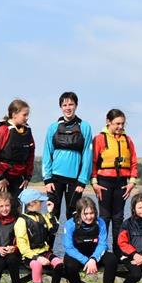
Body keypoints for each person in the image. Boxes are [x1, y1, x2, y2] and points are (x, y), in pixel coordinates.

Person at [91, 109, 138, 256]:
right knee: (104, 217)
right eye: (117, 123)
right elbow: (92, 162)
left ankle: (119, 252)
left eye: (122, 124)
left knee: (118, 218)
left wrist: (132, 182)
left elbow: (134, 162)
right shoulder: (99, 139)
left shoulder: (128, 140)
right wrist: (94, 181)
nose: (120, 126)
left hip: (122, 182)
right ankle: (102, 251)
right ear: (108, 121)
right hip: (104, 181)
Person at [42, 92, 93, 223]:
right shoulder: (53, 127)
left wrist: (83, 180)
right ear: (61, 107)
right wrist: (47, 179)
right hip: (55, 178)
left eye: (71, 104)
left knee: (74, 215)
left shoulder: (85, 127)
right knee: (52, 214)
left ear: (76, 105)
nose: (68, 107)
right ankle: (49, 244)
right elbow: (47, 152)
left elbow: (87, 154)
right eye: (64, 105)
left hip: (75, 180)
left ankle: (72, 244)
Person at [62, 197, 120, 283]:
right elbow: (68, 247)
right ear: (79, 213)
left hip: (94, 253)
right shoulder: (70, 224)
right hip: (77, 254)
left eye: (92, 213)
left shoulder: (100, 222)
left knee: (112, 259)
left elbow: (103, 244)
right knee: (69, 264)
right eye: (86, 214)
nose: (89, 217)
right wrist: (86, 261)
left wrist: (93, 259)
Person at [14, 189, 64, 283]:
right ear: (32, 203)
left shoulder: (43, 216)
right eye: (39, 202)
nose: (41, 204)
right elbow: (22, 246)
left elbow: (54, 229)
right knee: (37, 265)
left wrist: (51, 213)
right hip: (29, 255)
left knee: (59, 264)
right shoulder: (21, 221)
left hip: (44, 251)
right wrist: (37, 258)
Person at [0, 99, 35, 212]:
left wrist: (27, 177)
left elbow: (30, 155)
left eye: (28, 115)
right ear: (14, 114)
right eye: (24, 115)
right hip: (2, 178)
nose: (27, 118)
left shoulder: (27, 132)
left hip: (18, 178)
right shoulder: (2, 130)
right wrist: (0, 177)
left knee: (16, 210)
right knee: (3, 210)